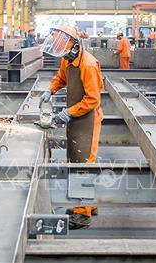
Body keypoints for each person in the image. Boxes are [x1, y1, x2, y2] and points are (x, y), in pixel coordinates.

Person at [40, 26, 103, 230]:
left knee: (82, 165)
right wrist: (50, 90)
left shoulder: (88, 64)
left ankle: (82, 214)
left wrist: (69, 112)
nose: (62, 54)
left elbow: (93, 99)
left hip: (88, 119)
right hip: (77, 116)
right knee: (75, 159)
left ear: (73, 45)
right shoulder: (67, 58)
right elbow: (61, 78)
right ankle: (87, 204)